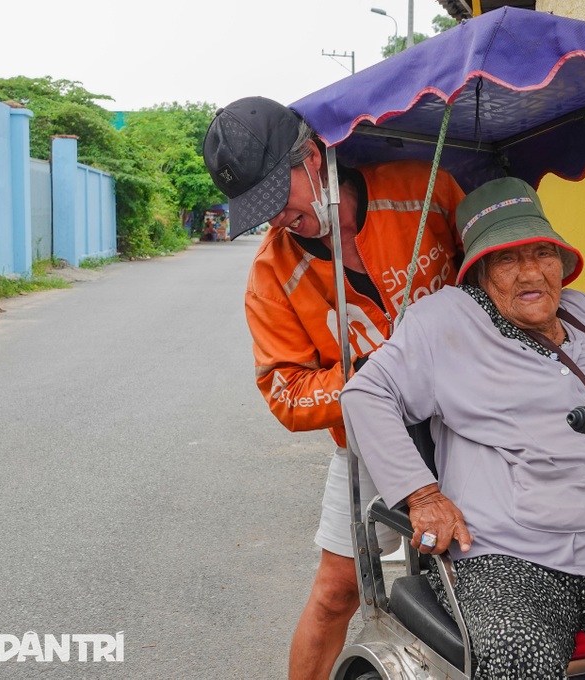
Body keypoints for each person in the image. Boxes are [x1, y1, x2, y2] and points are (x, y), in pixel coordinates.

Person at [341, 177, 585, 679]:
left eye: (543, 252)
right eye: (507, 259)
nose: (530, 272)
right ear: (480, 272)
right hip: (505, 556)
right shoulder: (443, 320)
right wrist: (423, 496)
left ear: (562, 262)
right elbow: (364, 394)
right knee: (517, 658)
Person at [201, 96, 465, 680]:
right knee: (336, 592)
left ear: (313, 157)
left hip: (474, 419)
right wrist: (375, 372)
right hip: (370, 440)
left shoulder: (424, 189)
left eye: (278, 200)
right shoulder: (271, 273)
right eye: (259, 211)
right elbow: (286, 393)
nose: (275, 222)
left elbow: (493, 273)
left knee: (481, 568)